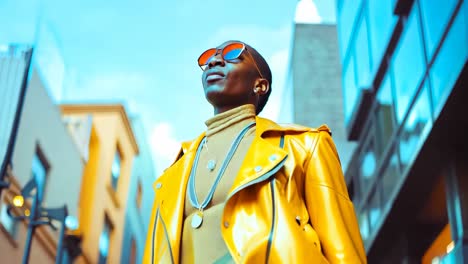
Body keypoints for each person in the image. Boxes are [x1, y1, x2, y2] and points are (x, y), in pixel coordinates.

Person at [143, 40, 367, 263]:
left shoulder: (305, 146)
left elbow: (343, 249)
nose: (214, 61)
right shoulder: (173, 173)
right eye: (209, 57)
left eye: (232, 54)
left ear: (260, 85)